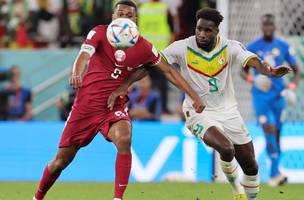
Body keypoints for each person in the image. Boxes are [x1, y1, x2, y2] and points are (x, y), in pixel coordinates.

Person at [109, 8, 291, 200]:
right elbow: (153, 65)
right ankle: (236, 190)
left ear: (216, 32)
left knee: (251, 166)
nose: (201, 34)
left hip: (228, 110)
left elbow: (253, 61)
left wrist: (269, 71)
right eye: (199, 29)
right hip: (198, 111)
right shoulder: (181, 47)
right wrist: (126, 84)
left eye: (207, 31)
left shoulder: (230, 46)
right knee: (226, 148)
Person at [32, 1, 204, 200]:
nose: (123, 17)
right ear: (113, 17)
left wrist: (194, 96)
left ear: (135, 20)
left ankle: (118, 198)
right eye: (119, 13)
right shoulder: (98, 32)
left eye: (128, 15)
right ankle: (37, 197)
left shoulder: (144, 46)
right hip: (85, 108)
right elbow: (83, 56)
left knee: (124, 138)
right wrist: (77, 73)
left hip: (113, 106)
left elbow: (168, 71)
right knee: (60, 162)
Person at [243, 14, 301, 187]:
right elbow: (242, 70)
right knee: (268, 127)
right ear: (262, 27)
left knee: (277, 133)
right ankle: (275, 174)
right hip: (260, 96)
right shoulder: (252, 47)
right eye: (265, 25)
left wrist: (291, 88)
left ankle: (275, 172)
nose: (268, 28)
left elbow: (297, 70)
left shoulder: (283, 45)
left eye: (271, 25)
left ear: (274, 27)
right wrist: (252, 80)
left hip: (278, 96)